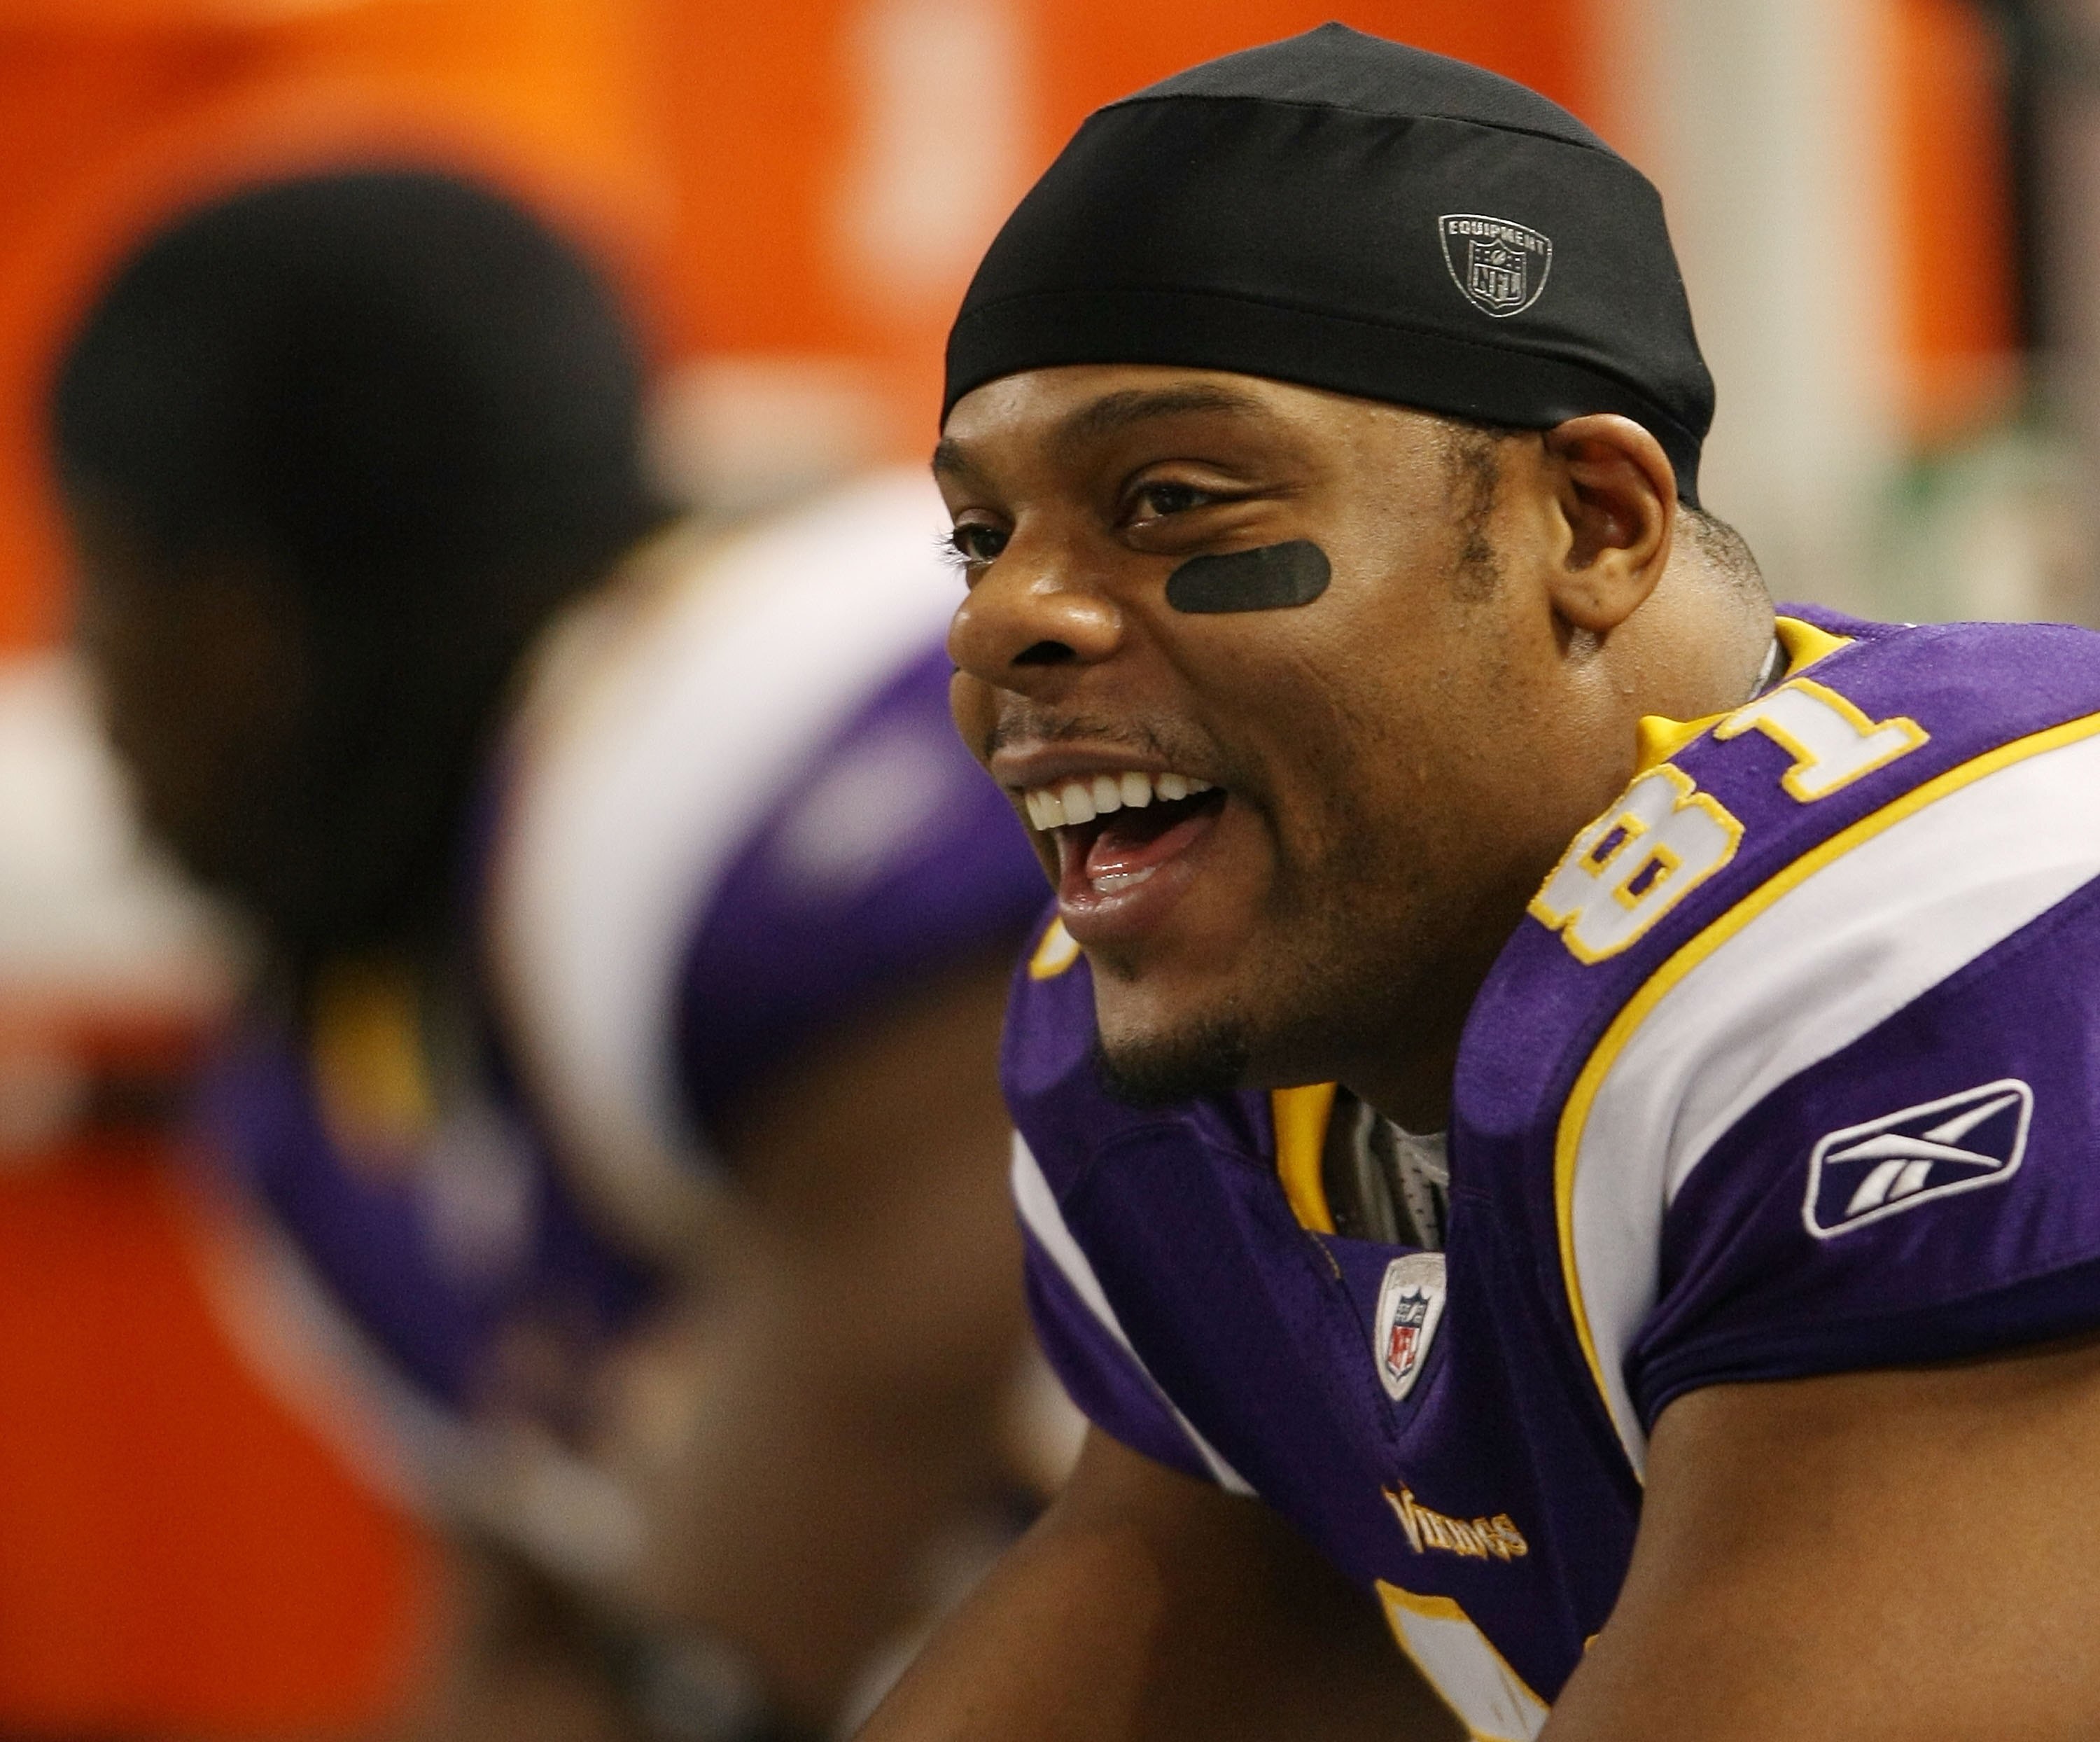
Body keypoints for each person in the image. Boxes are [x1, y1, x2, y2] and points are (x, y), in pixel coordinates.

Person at [861, 25, 2100, 1742]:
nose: (1004, 619)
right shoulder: (1203, 1056)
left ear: (1592, 523)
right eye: (980, 539)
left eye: (1172, 502)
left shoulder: (1953, 930)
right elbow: (1198, 1611)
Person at [50, 167, 1051, 1742]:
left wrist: (716, 1648)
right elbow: (540, 1631)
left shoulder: (695, 741)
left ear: (233, 624)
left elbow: (956, 1218)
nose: (84, 676)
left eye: (97, 579)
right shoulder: (332, 1106)